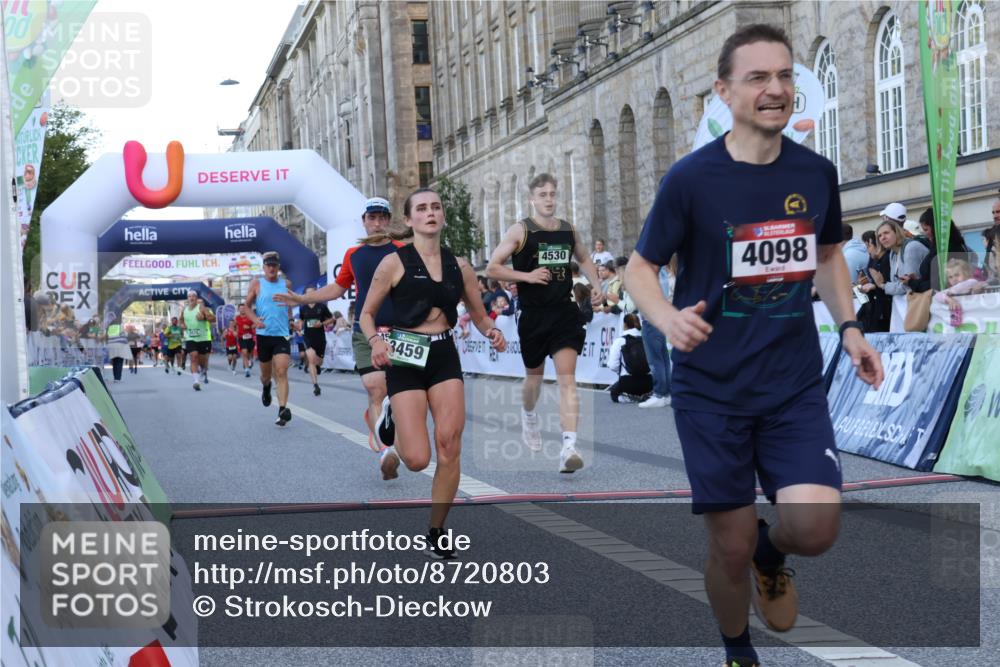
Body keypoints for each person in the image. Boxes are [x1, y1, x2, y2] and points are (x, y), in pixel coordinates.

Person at [624, 25, 884, 667]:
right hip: (711, 390)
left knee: (817, 530)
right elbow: (638, 269)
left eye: (785, 76)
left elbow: (827, 257)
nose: (775, 90)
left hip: (791, 383)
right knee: (731, 545)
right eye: (758, 78)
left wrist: (850, 327)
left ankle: (777, 554)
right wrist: (666, 318)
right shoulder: (691, 179)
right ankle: (738, 650)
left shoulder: (816, 172)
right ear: (724, 91)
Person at [360, 188, 505, 558]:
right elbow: (366, 315)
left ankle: (437, 530)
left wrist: (492, 331)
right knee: (417, 460)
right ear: (408, 220)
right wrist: (376, 341)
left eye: (436, 207)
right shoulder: (393, 263)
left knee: (449, 444)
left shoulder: (461, 266)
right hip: (405, 357)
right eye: (421, 208)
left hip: (443, 354)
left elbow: (478, 313)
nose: (430, 213)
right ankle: (390, 413)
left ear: (443, 216)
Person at [486, 173, 603, 473]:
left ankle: (569, 446)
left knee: (567, 378)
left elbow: (585, 258)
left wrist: (596, 285)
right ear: (532, 199)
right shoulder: (521, 231)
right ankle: (528, 414)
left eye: (552, 194)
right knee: (534, 380)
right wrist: (527, 276)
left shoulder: (567, 229)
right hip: (533, 315)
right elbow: (492, 268)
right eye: (543, 194)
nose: (548, 199)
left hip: (564, 312)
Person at [275, 197, 402, 456]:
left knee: (397, 394)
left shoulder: (403, 251)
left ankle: (378, 424)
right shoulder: (354, 255)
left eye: (381, 218)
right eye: (372, 218)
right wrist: (302, 298)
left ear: (388, 221)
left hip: (401, 331)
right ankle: (386, 451)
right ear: (364, 222)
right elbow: (336, 289)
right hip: (366, 331)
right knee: (376, 388)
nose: (377, 223)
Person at [245, 251, 294, 426]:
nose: (272, 268)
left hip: (282, 334)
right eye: (269, 265)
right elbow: (246, 307)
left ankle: (282, 409)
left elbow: (289, 305)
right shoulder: (257, 284)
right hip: (264, 335)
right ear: (264, 267)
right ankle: (266, 388)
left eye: (275, 265)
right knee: (266, 375)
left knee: (281, 371)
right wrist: (255, 319)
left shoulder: (286, 283)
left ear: (278, 267)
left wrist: (291, 320)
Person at [639, 264, 673, 409]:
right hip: (660, 317)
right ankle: (666, 393)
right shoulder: (663, 272)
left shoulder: (654, 273)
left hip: (651, 317)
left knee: (655, 358)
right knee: (663, 357)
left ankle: (660, 393)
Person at [871, 219, 929, 297]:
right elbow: (897, 282)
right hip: (903, 303)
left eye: (886, 233)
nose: (883, 238)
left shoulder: (910, 248)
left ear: (896, 232)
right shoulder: (893, 252)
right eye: (879, 236)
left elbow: (908, 285)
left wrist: (883, 285)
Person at [607, 313, 653, 403]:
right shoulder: (646, 340)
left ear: (625, 324)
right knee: (643, 387)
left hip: (627, 382)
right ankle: (645, 395)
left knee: (614, 393)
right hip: (648, 382)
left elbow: (612, 365)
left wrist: (622, 371)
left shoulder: (619, 341)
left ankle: (628, 398)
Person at [298, 286, 335, 395]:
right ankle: (315, 385)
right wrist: (299, 325)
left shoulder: (322, 307)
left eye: (312, 293)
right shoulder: (303, 307)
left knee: (319, 361)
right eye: (308, 293)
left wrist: (322, 323)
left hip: (320, 338)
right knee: (311, 360)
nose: (310, 295)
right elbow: (301, 319)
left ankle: (318, 366)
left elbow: (332, 318)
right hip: (308, 337)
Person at [856, 231, 892, 333]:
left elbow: (888, 281)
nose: (867, 250)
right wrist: (864, 282)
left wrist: (875, 285)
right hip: (876, 305)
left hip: (885, 307)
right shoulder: (874, 259)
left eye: (867, 246)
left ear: (871, 242)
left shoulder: (887, 258)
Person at [180, 291, 216, 390]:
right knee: (193, 356)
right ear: (187, 298)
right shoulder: (184, 309)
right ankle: (196, 381)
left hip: (204, 338)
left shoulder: (202, 308)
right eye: (189, 296)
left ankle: (203, 369)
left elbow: (213, 319)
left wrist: (205, 317)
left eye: (193, 296)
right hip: (191, 338)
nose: (191, 298)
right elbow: (181, 320)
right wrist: (182, 325)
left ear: (196, 298)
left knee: (203, 362)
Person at [234, 304, 256, 377]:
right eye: (240, 308)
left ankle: (250, 360)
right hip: (241, 338)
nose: (242, 310)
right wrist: (235, 332)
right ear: (238, 310)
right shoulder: (236, 318)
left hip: (250, 338)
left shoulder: (249, 317)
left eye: (243, 308)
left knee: (250, 353)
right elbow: (234, 326)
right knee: (244, 352)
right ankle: (247, 370)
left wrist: (249, 327)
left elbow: (255, 324)